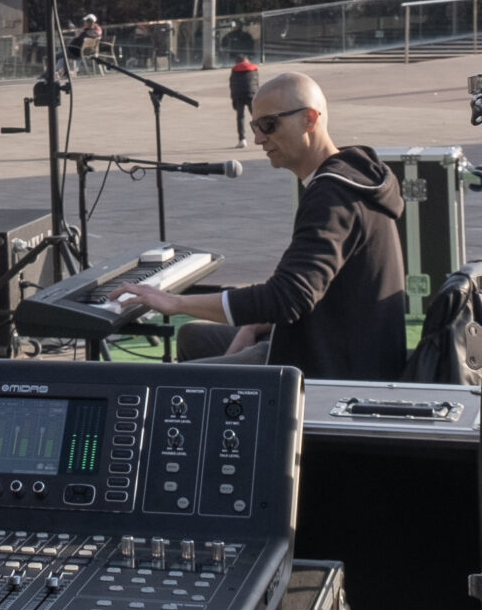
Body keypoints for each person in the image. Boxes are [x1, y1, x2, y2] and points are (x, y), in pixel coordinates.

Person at [117, 71, 408, 381]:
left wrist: (174, 302)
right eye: (255, 126)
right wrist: (254, 325)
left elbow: (287, 298)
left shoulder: (333, 195)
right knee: (192, 337)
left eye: (269, 125)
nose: (258, 139)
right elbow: (310, 289)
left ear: (309, 119)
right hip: (333, 340)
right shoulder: (349, 174)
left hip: (332, 367)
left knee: (165, 384)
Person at [228, 53, 260, 147]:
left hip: (238, 95)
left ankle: (242, 139)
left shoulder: (234, 70)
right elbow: (256, 83)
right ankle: (262, 136)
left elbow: (232, 85)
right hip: (251, 94)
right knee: (255, 117)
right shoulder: (254, 69)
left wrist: (233, 99)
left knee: (240, 117)